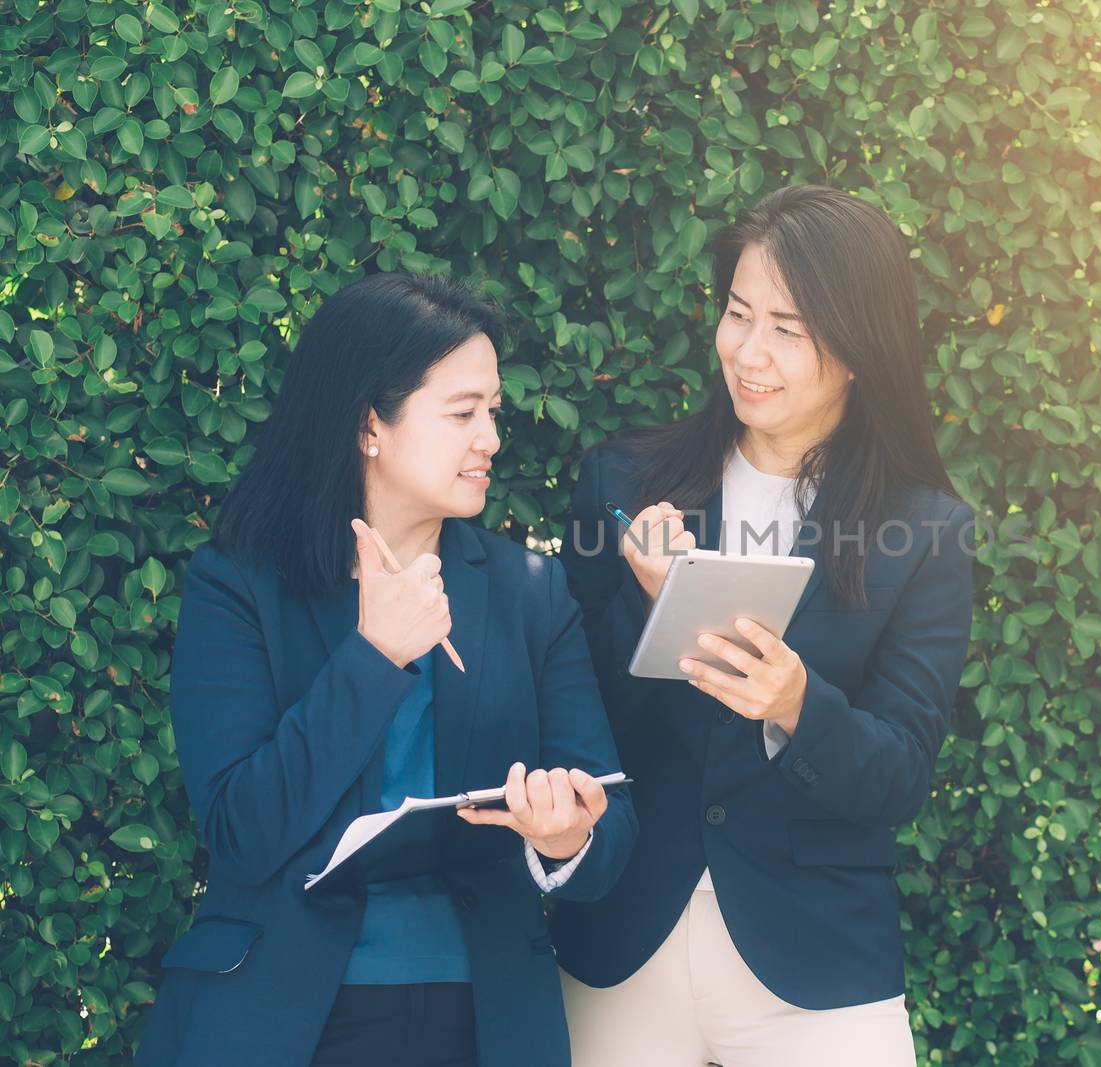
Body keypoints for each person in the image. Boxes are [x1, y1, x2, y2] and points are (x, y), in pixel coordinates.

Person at [136, 273, 637, 1067]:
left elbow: (612, 823)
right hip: (286, 1012)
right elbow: (241, 832)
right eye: (463, 413)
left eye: (494, 412)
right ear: (372, 422)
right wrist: (374, 657)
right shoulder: (239, 584)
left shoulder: (531, 593)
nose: (492, 440)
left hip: (485, 1012)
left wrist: (568, 834)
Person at [552, 185, 977, 1065]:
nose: (750, 352)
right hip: (626, 936)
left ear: (858, 347)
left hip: (816, 958)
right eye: (739, 313)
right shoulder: (623, 486)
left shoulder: (924, 531)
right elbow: (566, 718)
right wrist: (643, 600)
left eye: (789, 328)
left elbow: (898, 774)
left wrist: (795, 704)